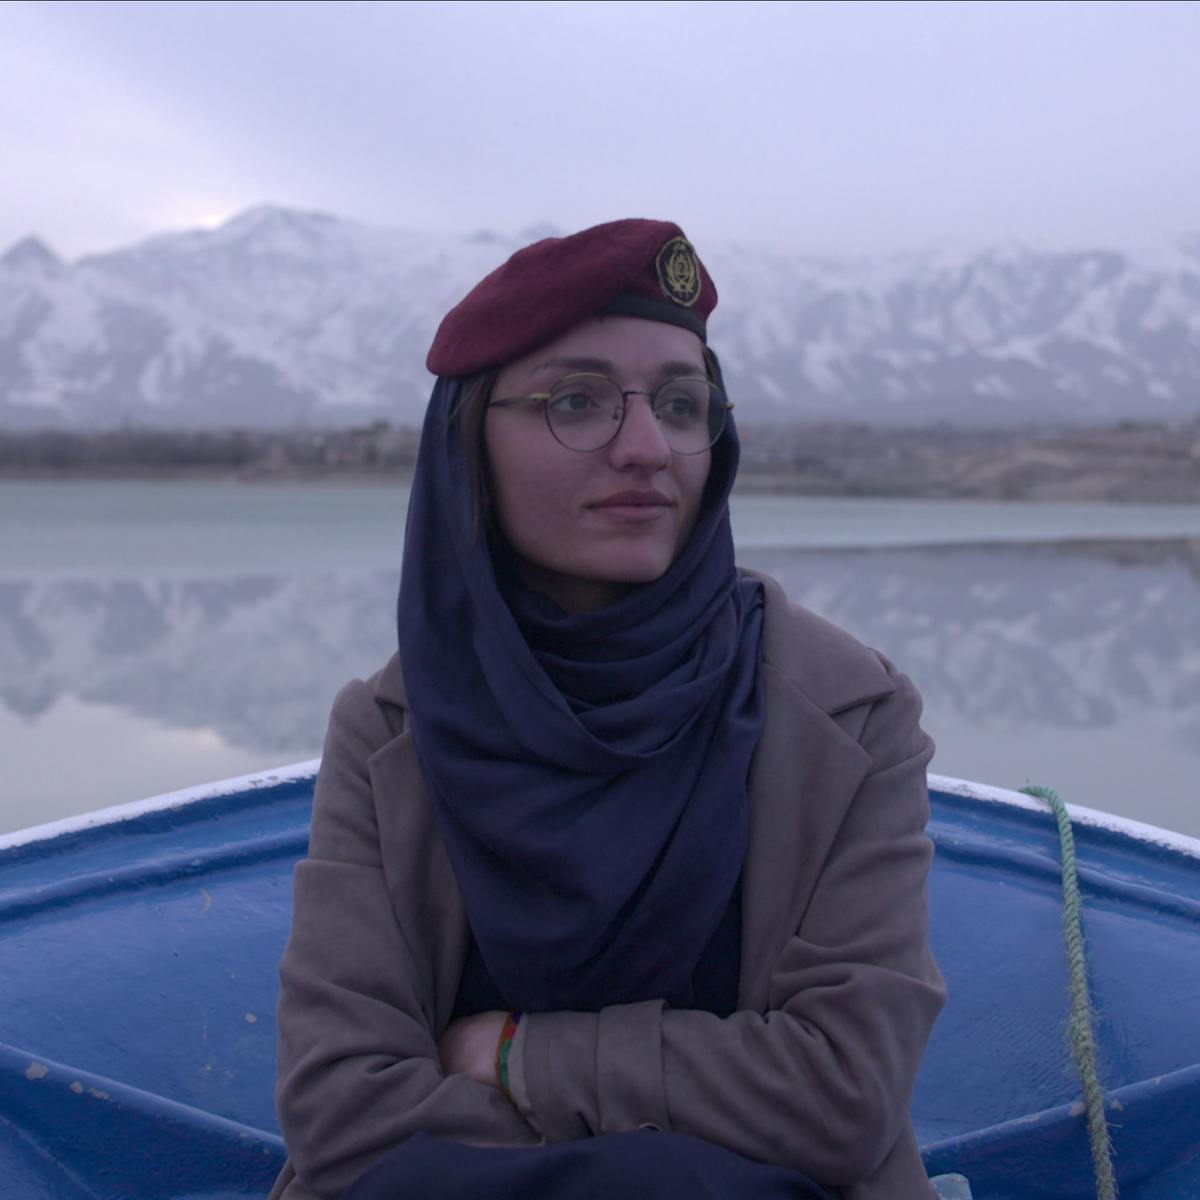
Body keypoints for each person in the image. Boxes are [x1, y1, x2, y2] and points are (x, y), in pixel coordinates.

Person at [268, 219, 946, 1200]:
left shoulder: (847, 714)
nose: (646, 448)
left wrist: (515, 1058)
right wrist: (686, 1135)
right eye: (576, 401)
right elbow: (344, 1115)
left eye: (680, 404)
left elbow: (842, 1098)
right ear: (467, 446)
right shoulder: (390, 732)